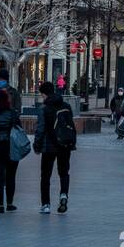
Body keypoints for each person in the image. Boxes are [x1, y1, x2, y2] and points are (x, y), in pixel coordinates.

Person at [33, 80, 76, 214]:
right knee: (64, 173)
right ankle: (63, 195)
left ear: (44, 94)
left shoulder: (43, 109)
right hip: (65, 145)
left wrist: (37, 145)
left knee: (45, 176)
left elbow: (40, 129)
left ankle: (46, 205)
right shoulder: (66, 106)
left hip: (49, 146)